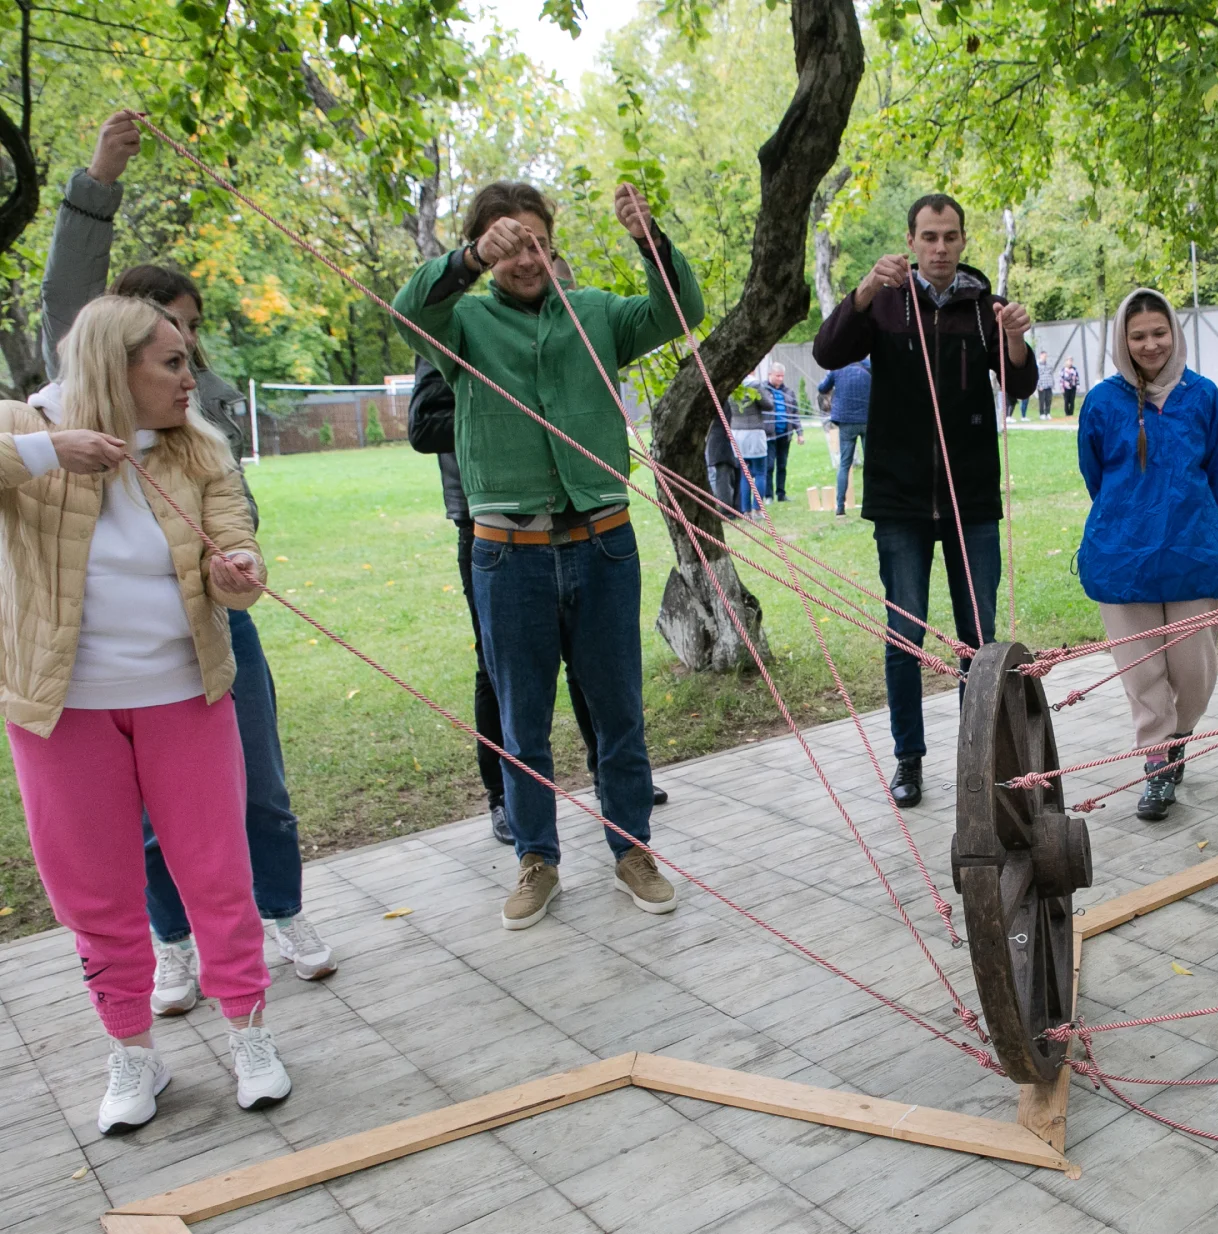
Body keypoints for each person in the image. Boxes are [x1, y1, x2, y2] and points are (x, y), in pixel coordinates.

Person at [43, 109, 332, 1008]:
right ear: (116, 335)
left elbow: (225, 501)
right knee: (144, 822)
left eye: (193, 333)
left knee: (259, 785)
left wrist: (235, 564)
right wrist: (99, 177)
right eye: (172, 331)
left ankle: (278, 913)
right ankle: (172, 944)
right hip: (105, 665)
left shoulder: (190, 400)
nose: (188, 353)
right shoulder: (74, 388)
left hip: (211, 621)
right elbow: (69, 286)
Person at [4, 296, 295, 1133]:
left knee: (216, 872)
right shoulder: (27, 427)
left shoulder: (199, 448)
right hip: (62, 711)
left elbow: (234, 538)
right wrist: (44, 449)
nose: (189, 375)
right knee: (94, 890)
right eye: (171, 361)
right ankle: (132, 1051)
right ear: (113, 366)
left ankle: (249, 1033)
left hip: (182, 694)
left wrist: (238, 571)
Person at [393, 179, 701, 930]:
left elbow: (678, 311)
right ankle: (538, 859)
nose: (525, 256)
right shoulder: (459, 324)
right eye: (505, 244)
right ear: (486, 252)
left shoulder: (594, 312)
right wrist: (463, 261)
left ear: (551, 241)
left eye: (534, 239)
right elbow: (407, 313)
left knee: (619, 711)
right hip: (509, 554)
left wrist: (648, 237)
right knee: (522, 721)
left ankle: (632, 849)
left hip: (601, 545)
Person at [812, 192, 1036, 807]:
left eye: (951, 237)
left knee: (978, 639)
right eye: (929, 237)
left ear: (964, 241)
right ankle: (908, 759)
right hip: (900, 500)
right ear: (910, 242)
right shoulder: (884, 301)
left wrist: (1015, 341)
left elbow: (1019, 382)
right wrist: (859, 292)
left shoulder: (983, 307)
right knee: (903, 633)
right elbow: (828, 351)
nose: (940, 248)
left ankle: (980, 756)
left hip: (971, 502)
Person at [408, 356, 666, 844]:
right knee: (499, 672)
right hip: (493, 524)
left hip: (577, 519)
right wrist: (512, 416)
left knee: (591, 661)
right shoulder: (457, 326)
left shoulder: (546, 325)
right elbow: (424, 427)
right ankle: (505, 800)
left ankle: (609, 783)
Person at [1077, 290, 1218, 821]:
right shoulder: (1101, 402)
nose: (1150, 344)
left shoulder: (1204, 396)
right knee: (1143, 675)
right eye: (1137, 335)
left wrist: (1185, 518)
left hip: (1193, 553)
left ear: (1175, 333)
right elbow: (1096, 476)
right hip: (1122, 558)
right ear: (1122, 339)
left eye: (1159, 333)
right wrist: (1132, 518)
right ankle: (1157, 765)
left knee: (1194, 673)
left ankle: (1178, 736)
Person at [817, 357, 870, 516]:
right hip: (868, 419)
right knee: (871, 464)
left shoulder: (838, 366)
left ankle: (840, 506)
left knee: (845, 464)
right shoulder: (870, 365)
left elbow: (822, 388)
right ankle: (870, 504)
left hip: (846, 420)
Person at [727, 381, 772, 512]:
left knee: (744, 474)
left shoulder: (732, 384)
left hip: (737, 432)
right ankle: (757, 509)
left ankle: (746, 510)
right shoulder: (755, 385)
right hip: (754, 432)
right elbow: (768, 404)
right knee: (760, 473)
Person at [761, 364, 797, 502]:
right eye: (778, 376)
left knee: (782, 465)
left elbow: (795, 414)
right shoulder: (762, 390)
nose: (780, 379)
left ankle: (781, 494)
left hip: (785, 435)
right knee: (769, 466)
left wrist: (799, 433)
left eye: (782, 376)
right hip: (769, 435)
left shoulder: (788, 392)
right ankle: (768, 495)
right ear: (770, 374)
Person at [1036, 351, 1055, 419]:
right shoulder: (1037, 366)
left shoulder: (1049, 365)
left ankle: (1048, 413)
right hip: (1041, 386)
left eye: (1046, 356)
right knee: (1042, 401)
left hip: (1048, 385)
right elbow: (1036, 376)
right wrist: (1039, 385)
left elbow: (1051, 375)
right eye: (1044, 356)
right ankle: (1042, 414)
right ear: (1040, 356)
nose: (1045, 357)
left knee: (1048, 400)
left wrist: (1052, 384)